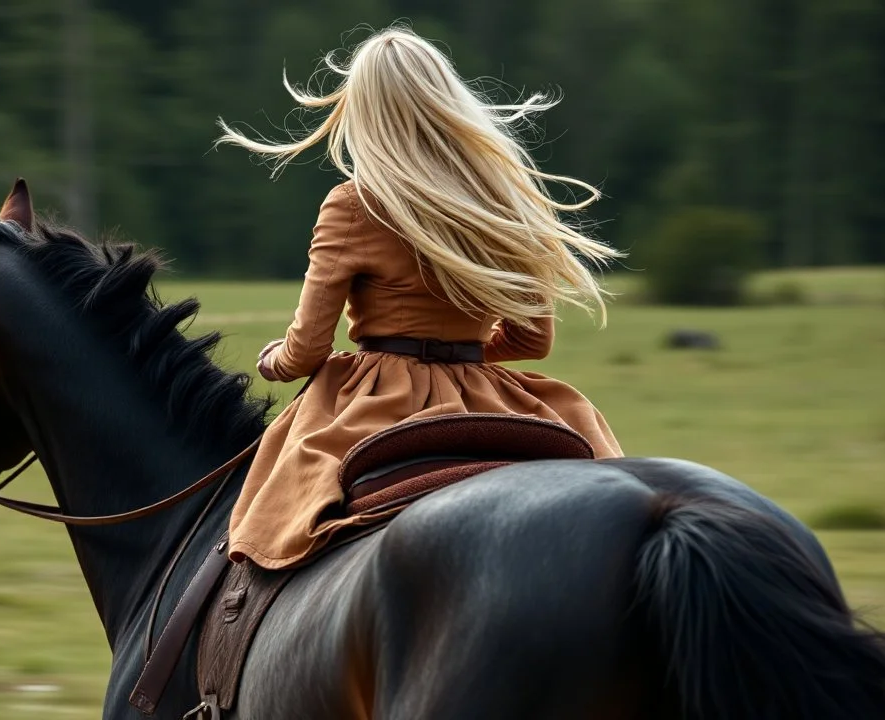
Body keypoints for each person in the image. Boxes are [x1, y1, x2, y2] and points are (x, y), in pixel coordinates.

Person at [216, 26, 624, 571]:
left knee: (272, 522)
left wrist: (275, 362)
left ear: (364, 111)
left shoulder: (354, 203)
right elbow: (534, 339)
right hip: (486, 392)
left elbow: (309, 349)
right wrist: (464, 359)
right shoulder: (506, 199)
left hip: (379, 400)